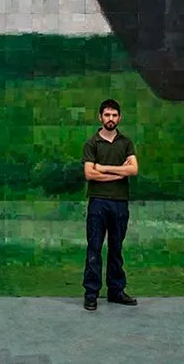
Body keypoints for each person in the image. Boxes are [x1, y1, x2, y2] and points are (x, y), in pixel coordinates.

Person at [81, 98, 139, 311]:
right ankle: (91, 293)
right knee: (94, 248)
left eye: (114, 115)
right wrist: (119, 172)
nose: (111, 119)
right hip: (98, 203)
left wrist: (103, 169)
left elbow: (133, 170)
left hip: (120, 204)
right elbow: (89, 173)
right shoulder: (92, 143)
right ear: (100, 117)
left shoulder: (126, 142)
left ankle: (116, 291)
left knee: (116, 248)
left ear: (119, 118)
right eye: (107, 115)